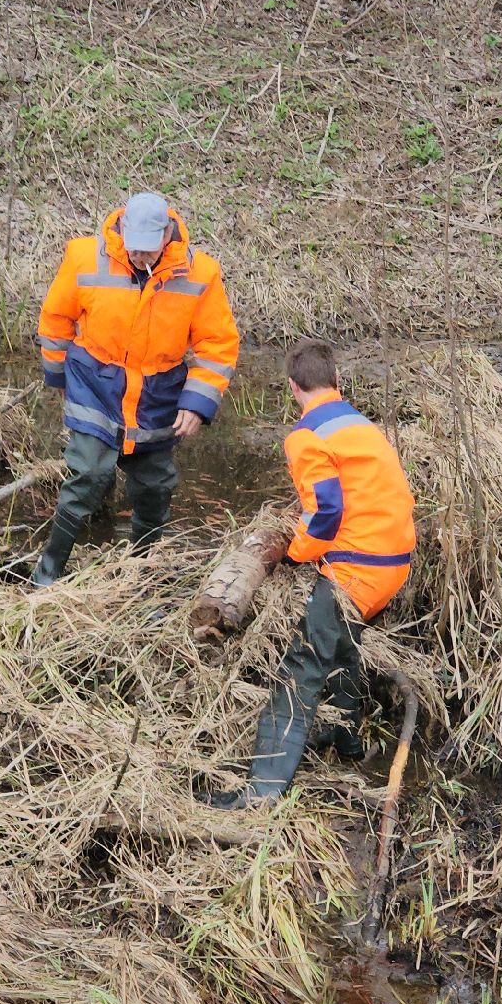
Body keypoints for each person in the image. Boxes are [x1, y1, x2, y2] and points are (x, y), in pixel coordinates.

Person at [210, 340, 415, 809]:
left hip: (357, 569)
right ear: (337, 382)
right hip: (393, 563)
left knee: (300, 669)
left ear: (292, 388)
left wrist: (295, 554)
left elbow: (325, 513)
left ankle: (261, 793)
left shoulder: (306, 437)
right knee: (342, 646)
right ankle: (346, 740)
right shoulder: (359, 424)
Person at [31, 192, 241, 586]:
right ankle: (48, 573)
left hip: (158, 392)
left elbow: (218, 344)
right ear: (122, 230)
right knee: (89, 473)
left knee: (155, 485)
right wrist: (58, 378)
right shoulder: (84, 257)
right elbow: (56, 320)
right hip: (97, 383)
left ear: (167, 236)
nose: (141, 258)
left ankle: (139, 571)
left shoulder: (200, 273)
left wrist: (197, 403)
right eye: (135, 250)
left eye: (149, 250)